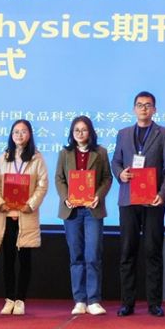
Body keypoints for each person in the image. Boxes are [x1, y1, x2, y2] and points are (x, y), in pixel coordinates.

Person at [112, 91, 165, 317]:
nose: (144, 109)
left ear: (154, 109)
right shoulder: (123, 134)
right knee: (127, 251)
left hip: (153, 201)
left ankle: (154, 303)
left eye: (148, 105)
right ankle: (127, 303)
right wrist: (120, 174)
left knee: (153, 251)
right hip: (128, 200)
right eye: (140, 105)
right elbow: (115, 161)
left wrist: (162, 194)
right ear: (134, 109)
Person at [54, 115, 113, 316]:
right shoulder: (65, 153)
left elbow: (107, 178)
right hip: (71, 210)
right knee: (76, 255)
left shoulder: (100, 152)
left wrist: (98, 196)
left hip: (92, 209)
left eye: (84, 130)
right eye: (76, 130)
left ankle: (94, 300)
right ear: (72, 133)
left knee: (93, 254)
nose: (80, 133)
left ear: (91, 132)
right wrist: (66, 198)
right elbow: (59, 178)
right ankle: (79, 299)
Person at [0, 119, 48, 316]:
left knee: (24, 260)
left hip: (26, 215)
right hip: (6, 215)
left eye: (23, 131)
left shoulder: (37, 158)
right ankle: (9, 299)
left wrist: (30, 204)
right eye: (16, 131)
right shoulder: (3, 158)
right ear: (11, 135)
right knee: (7, 259)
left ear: (29, 134)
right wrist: (0, 203)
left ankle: (20, 299)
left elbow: (42, 185)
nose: (19, 135)